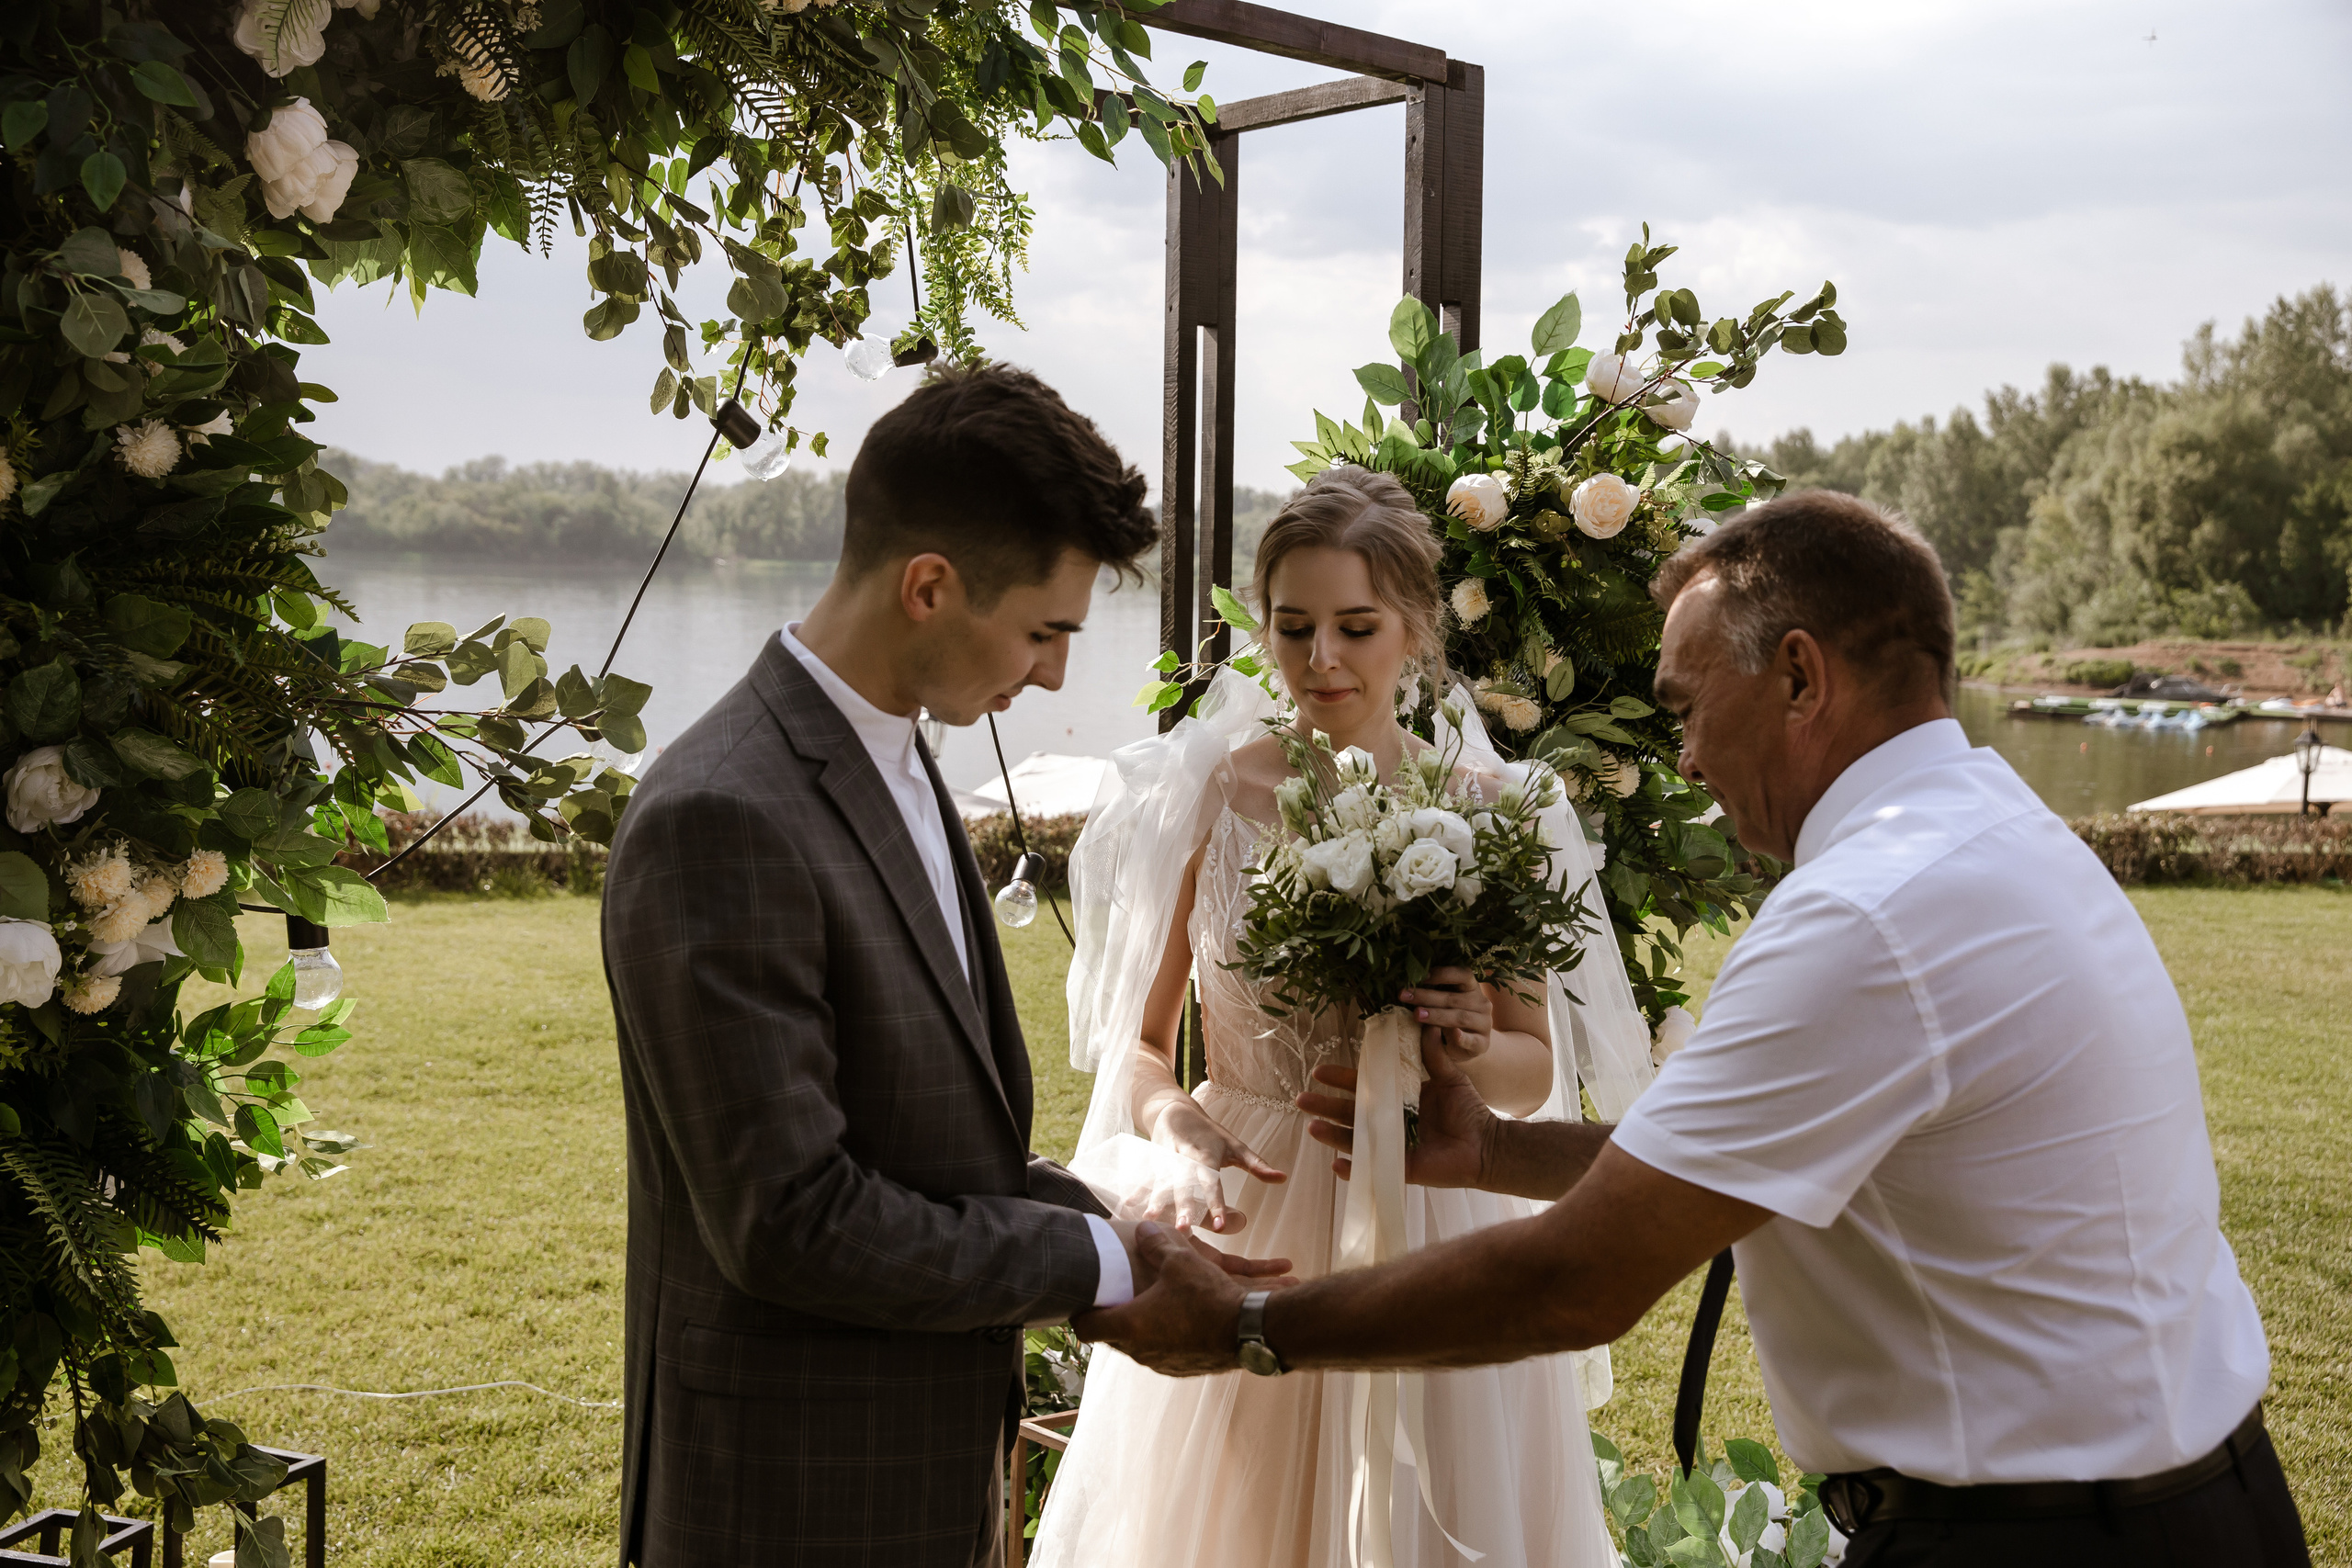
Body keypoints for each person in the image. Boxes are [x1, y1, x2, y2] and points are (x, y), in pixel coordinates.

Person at [1079, 490, 2312, 1568]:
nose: (1682, 749)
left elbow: (1580, 1276)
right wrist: (1498, 1155)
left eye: (1686, 702)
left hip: (2034, 1538)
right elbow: (1728, 1169)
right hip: (2198, 1499)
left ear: (1797, 674)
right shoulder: (2002, 829)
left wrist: (1244, 1327)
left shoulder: (1864, 916)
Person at [600, 365, 1287, 1568]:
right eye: (1043, 630)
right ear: (929, 586)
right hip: (790, 1502)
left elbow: (927, 1146)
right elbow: (793, 1218)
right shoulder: (719, 814)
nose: (1059, 675)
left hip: (930, 1480)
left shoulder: (902, 755)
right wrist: (1105, 1260)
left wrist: (1117, 1220)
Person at [1032, 468, 1645, 1568]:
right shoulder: (1210, 794)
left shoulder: (1490, 813)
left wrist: (1468, 1043)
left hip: (1428, 1206)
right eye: (1294, 625)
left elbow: (1526, 1070)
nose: (1321, 659)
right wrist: (1176, 1129)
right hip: (1246, 1206)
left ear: (1413, 631)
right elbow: (1134, 1040)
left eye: (1355, 628)